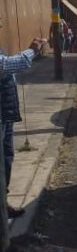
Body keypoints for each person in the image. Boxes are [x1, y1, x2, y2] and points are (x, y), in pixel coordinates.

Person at [0, 38, 46, 218]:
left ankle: (3, 203)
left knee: (7, 158)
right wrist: (33, 50)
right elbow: (7, 65)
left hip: (6, 113)